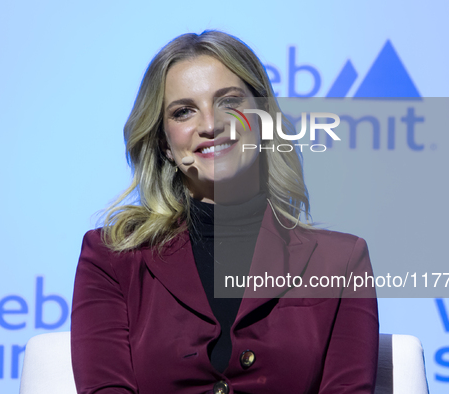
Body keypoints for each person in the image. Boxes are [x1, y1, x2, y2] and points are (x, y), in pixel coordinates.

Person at [71, 30, 379, 394]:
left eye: (229, 102)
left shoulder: (341, 262)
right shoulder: (111, 258)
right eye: (184, 111)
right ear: (163, 142)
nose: (210, 125)